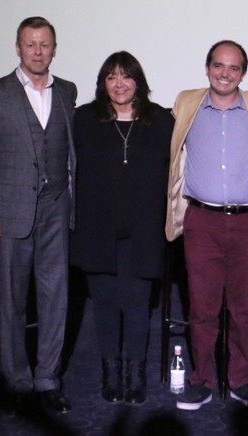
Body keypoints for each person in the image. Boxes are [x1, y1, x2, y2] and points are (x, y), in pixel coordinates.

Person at [165, 40, 248, 411]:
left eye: (233, 68)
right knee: (202, 307)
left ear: (243, 74)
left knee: (244, 308)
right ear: (207, 68)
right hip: (202, 220)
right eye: (218, 65)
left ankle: (240, 379)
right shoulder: (187, 103)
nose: (225, 73)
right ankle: (201, 380)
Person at [0, 16, 77, 414]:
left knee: (55, 299)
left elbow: (68, 154)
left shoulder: (67, 91)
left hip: (55, 211)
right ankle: (16, 381)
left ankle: (48, 379)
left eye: (44, 44)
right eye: (30, 44)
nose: (37, 51)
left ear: (54, 48)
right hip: (9, 215)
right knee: (12, 302)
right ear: (18, 48)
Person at [70, 51, 173, 405]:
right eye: (111, 77)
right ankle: (111, 373)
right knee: (105, 304)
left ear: (138, 82)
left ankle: (136, 373)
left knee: (137, 304)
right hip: (96, 230)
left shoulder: (161, 121)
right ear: (103, 83)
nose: (119, 84)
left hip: (144, 232)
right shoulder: (83, 119)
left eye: (126, 76)